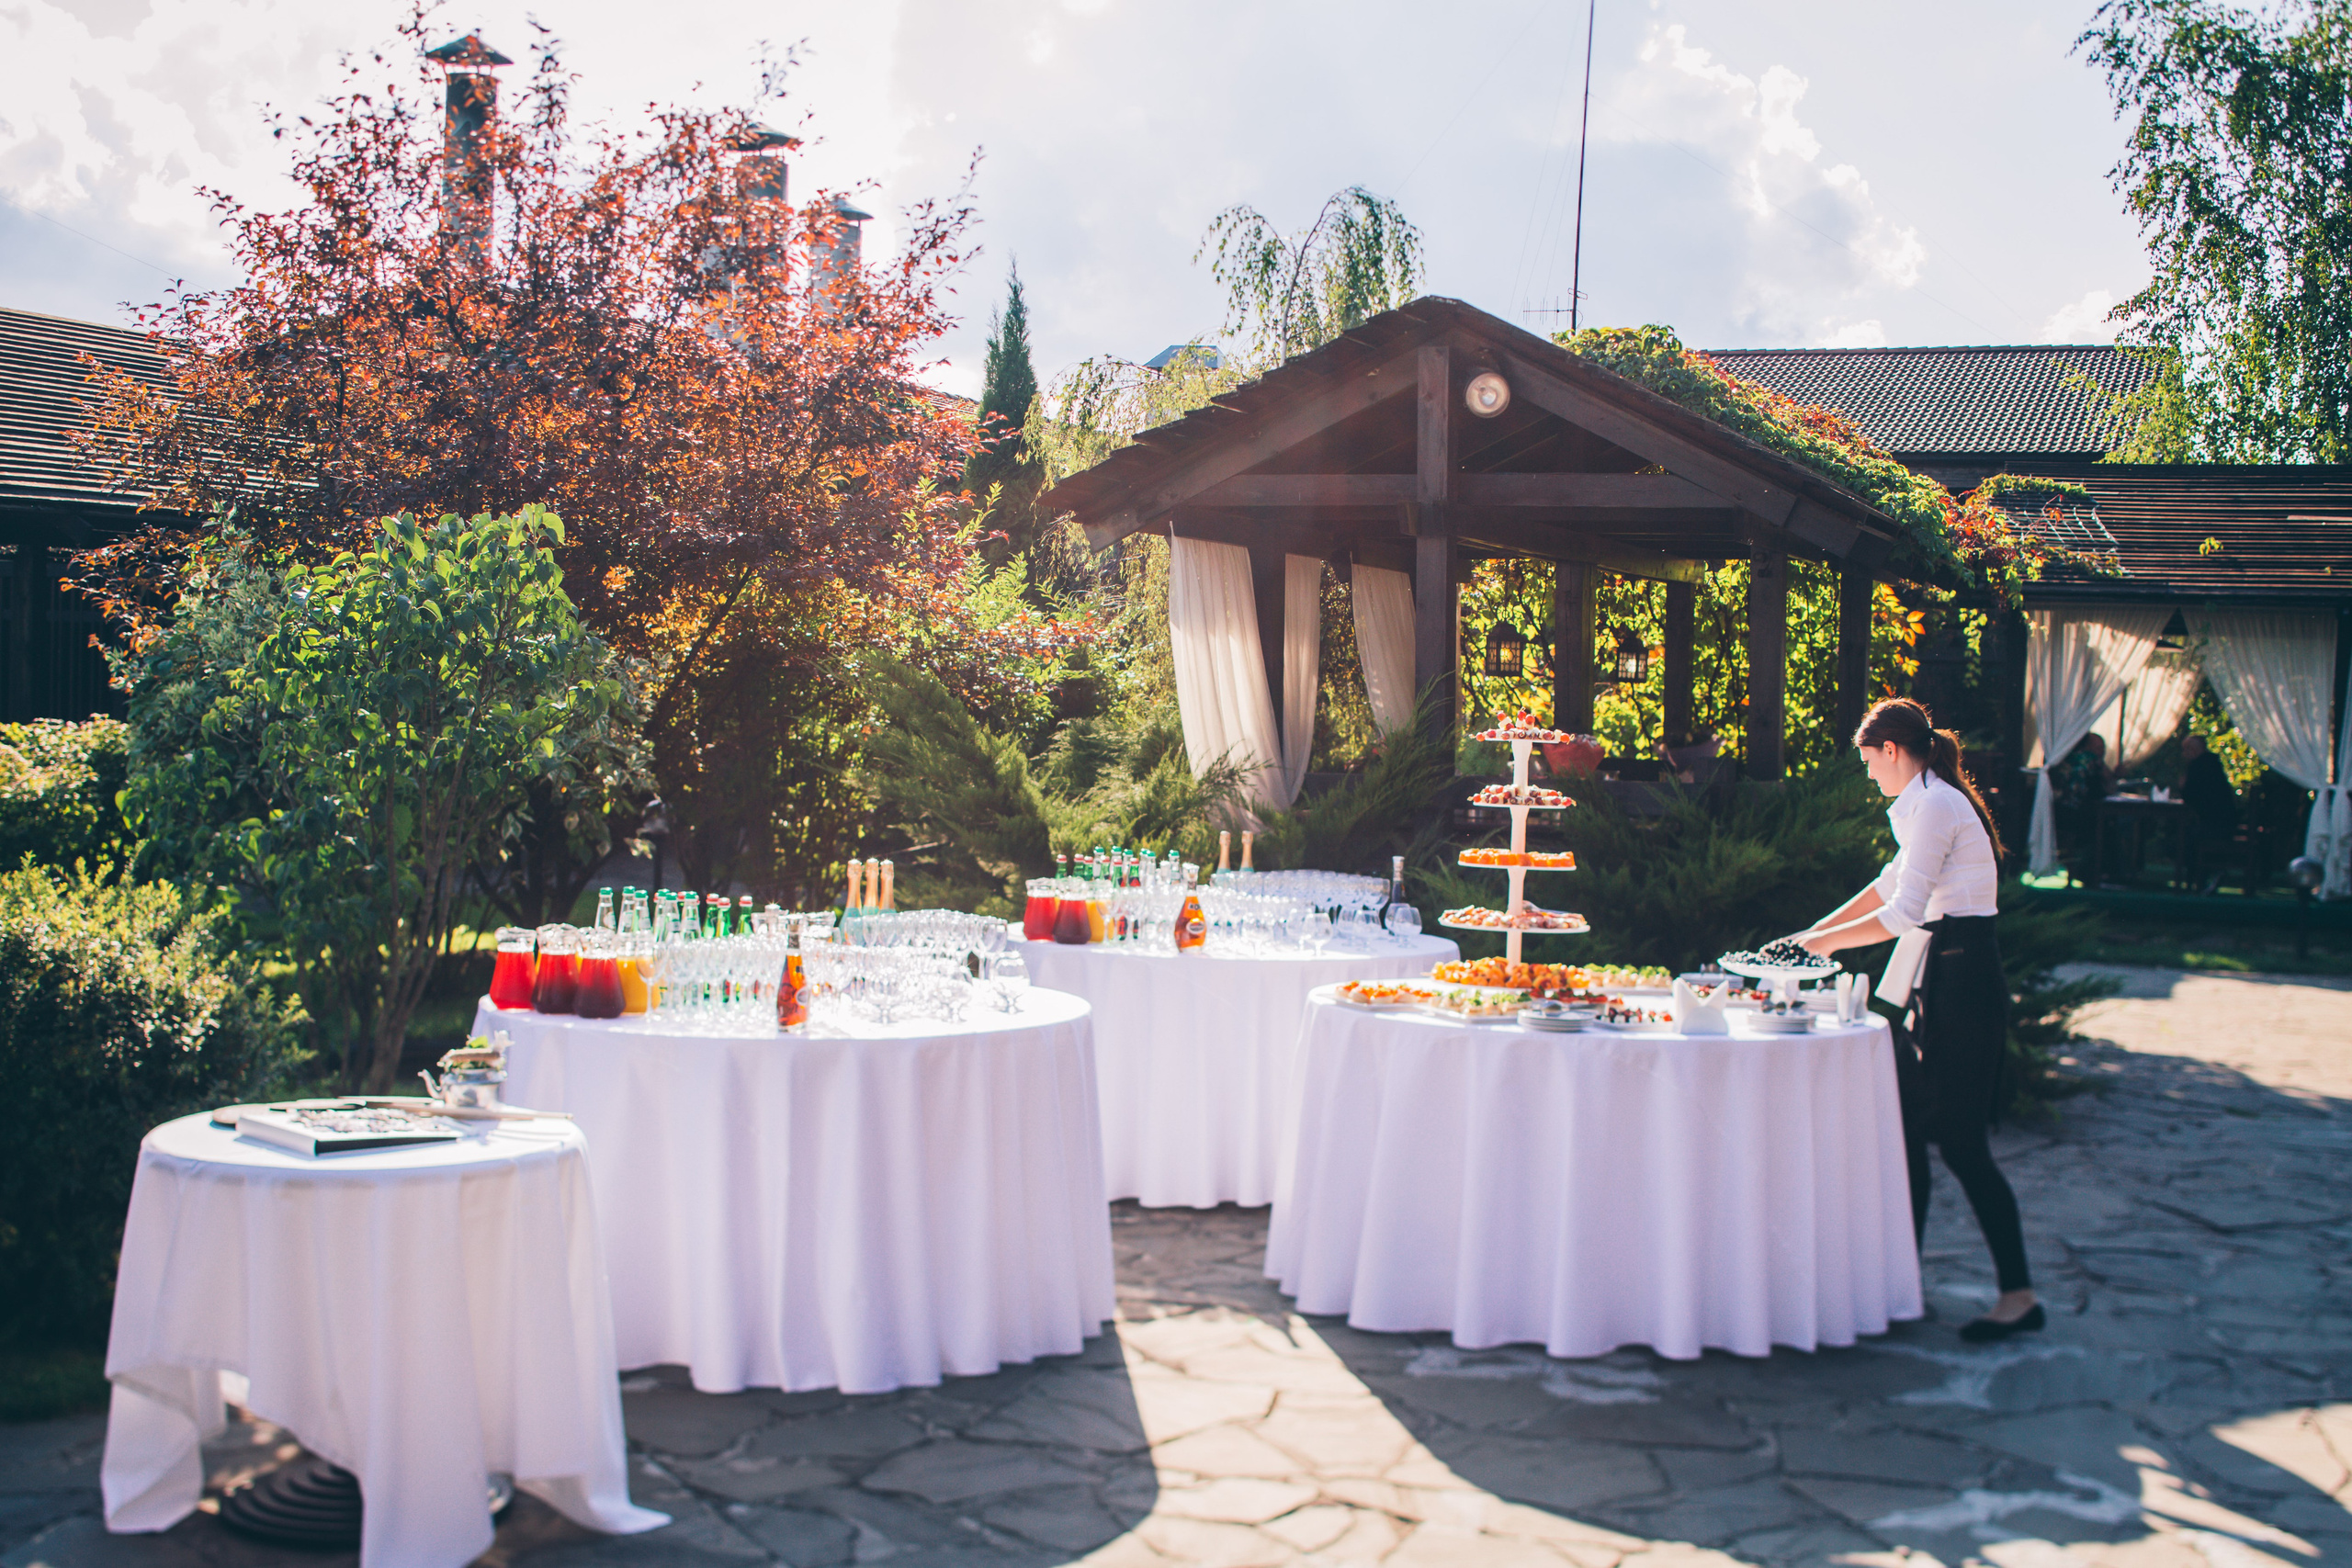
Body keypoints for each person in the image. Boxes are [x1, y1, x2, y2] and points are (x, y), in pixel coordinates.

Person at [1793, 698, 2040, 1343]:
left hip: (1965, 982)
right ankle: (1902, 1286)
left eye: (1870, 761)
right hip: (1944, 978)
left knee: (1960, 1143)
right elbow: (1885, 884)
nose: (1870, 774)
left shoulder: (1935, 805)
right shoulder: (1926, 800)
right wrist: (1806, 935)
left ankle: (2018, 1294)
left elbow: (1902, 913)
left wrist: (1822, 947)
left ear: (1894, 751)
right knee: (1905, 1131)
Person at [2178, 733, 2236, 894]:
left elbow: (2190, 795)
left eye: (2186, 750)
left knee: (2183, 836)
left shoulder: (2198, 766)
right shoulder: (2213, 764)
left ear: (2193, 750)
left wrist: (2183, 786)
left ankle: (2197, 880)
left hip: (2214, 826)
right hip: (2223, 823)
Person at [2050, 733, 2109, 886]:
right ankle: (2091, 874)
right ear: (2088, 746)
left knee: (2069, 840)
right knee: (2100, 832)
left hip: (2062, 808)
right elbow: (2108, 780)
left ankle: (2072, 875)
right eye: (2099, 747)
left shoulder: (2064, 758)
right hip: (2082, 810)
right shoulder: (2090, 759)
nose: (2102, 751)